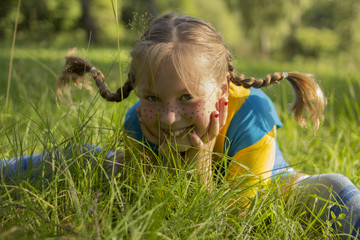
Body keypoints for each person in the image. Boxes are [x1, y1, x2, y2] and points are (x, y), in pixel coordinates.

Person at [3, 12, 360, 239]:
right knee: (85, 159)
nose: (170, 117)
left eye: (187, 98)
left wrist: (202, 163)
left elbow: (233, 223)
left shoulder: (252, 113)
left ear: (222, 91)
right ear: (139, 93)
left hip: (266, 191)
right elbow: (152, 210)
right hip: (175, 180)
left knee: (328, 188)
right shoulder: (136, 122)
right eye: (154, 99)